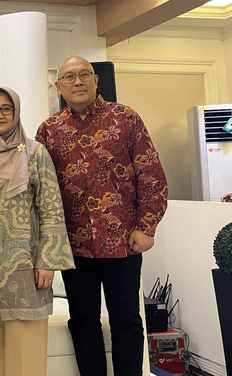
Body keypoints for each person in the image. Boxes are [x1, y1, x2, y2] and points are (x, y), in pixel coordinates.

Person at [35, 56, 168, 376]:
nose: (77, 82)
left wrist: (146, 227)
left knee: (126, 320)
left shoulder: (126, 119)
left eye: (84, 75)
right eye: (69, 77)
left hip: (123, 242)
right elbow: (39, 189)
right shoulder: (49, 131)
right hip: (73, 245)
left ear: (96, 81)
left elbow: (151, 175)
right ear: (58, 86)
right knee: (82, 321)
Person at [0, 86, 75, 376]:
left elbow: (51, 208)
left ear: (16, 112)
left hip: (25, 264)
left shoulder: (35, 153)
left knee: (27, 350)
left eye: (6, 108)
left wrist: (47, 259)